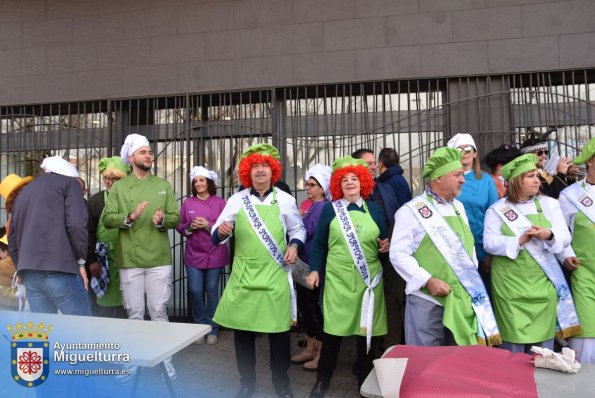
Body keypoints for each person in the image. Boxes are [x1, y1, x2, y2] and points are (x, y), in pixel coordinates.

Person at [211, 143, 305, 398]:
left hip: (275, 274)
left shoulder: (286, 200)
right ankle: (246, 383)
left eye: (265, 165)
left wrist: (295, 245)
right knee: (243, 334)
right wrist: (220, 232)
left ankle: (281, 383)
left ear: (272, 170)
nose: (260, 170)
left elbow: (298, 230)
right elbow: (216, 232)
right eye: (255, 166)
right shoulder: (236, 200)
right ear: (247, 172)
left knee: (279, 334)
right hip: (243, 276)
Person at [390, 147, 500, 348]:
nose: (463, 180)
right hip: (428, 300)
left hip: (461, 297)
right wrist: (427, 280)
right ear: (438, 178)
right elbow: (398, 254)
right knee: (426, 360)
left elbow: (468, 247)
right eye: (457, 175)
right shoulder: (411, 210)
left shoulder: (458, 207)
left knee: (458, 360)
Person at [306, 156, 389, 397]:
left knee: (366, 337)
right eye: (345, 180)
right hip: (338, 281)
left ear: (362, 182)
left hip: (368, 283)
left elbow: (383, 240)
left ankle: (364, 380)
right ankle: (323, 380)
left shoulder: (373, 209)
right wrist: (314, 270)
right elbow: (320, 245)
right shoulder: (331, 210)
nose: (350, 183)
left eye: (354, 178)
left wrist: (385, 245)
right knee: (332, 334)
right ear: (338, 185)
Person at [484, 154, 580, 354]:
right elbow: (489, 243)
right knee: (512, 351)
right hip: (510, 289)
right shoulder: (496, 210)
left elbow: (564, 237)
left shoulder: (549, 204)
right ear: (517, 181)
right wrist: (518, 240)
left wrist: (549, 234)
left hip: (543, 286)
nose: (537, 180)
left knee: (543, 352)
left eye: (536, 175)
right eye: (530, 176)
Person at [102, 134, 180, 381]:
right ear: (131, 157)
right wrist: (130, 217)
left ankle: (165, 361)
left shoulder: (164, 185)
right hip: (130, 260)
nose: (149, 155)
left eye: (150, 152)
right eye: (143, 152)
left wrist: (163, 221)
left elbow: (176, 217)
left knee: (158, 311)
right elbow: (107, 218)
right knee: (134, 313)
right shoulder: (119, 188)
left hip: (158, 259)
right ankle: (132, 362)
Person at [9, 156, 90, 315]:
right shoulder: (70, 183)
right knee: (81, 330)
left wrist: (21, 266)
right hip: (61, 269)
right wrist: (80, 261)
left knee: (46, 332)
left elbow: (12, 238)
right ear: (70, 174)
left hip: (30, 273)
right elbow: (76, 225)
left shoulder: (24, 192)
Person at [351, 148, 402, 347]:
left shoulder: (386, 189)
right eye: (368, 163)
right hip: (361, 257)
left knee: (390, 303)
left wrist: (391, 240)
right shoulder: (350, 193)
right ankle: (365, 351)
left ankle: (388, 348)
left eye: (374, 163)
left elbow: (397, 218)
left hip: (387, 256)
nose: (373, 166)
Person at [176, 166, 229, 345]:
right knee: (195, 291)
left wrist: (207, 225)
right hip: (194, 254)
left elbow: (227, 226)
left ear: (209, 183)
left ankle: (212, 328)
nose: (198, 183)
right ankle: (199, 327)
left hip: (215, 253)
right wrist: (190, 227)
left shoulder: (220, 202)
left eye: (202, 180)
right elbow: (180, 225)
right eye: (196, 181)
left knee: (212, 291)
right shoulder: (188, 203)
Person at [558, 137, 595, 364]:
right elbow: (562, 234)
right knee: (588, 332)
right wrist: (566, 255)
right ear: (590, 161)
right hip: (585, 273)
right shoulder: (570, 195)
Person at [446, 133, 498, 294]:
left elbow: (494, 215)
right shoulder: (447, 180)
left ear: (475, 153)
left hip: (481, 248)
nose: (465, 152)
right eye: (460, 149)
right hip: (455, 247)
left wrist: (490, 253)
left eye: (468, 148)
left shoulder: (487, 180)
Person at [291, 164, 331, 371]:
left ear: (323, 188)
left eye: (313, 185)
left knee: (312, 308)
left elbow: (310, 231)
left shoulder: (322, 207)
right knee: (306, 308)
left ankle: (320, 353)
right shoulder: (313, 206)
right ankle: (311, 347)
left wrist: (297, 220)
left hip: (312, 266)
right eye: (307, 184)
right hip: (304, 265)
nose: (308, 188)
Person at [86, 156, 130, 318]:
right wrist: (92, 260)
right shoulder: (96, 201)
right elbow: (88, 232)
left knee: (128, 304)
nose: (110, 182)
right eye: (106, 178)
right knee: (104, 305)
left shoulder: (130, 200)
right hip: (103, 260)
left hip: (128, 257)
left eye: (114, 178)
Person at [520, 132, 573, 199]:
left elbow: (564, 193)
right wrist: (561, 174)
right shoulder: (527, 174)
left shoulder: (543, 172)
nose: (544, 156)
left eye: (546, 152)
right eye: (540, 153)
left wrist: (571, 179)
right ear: (528, 155)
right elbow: (550, 196)